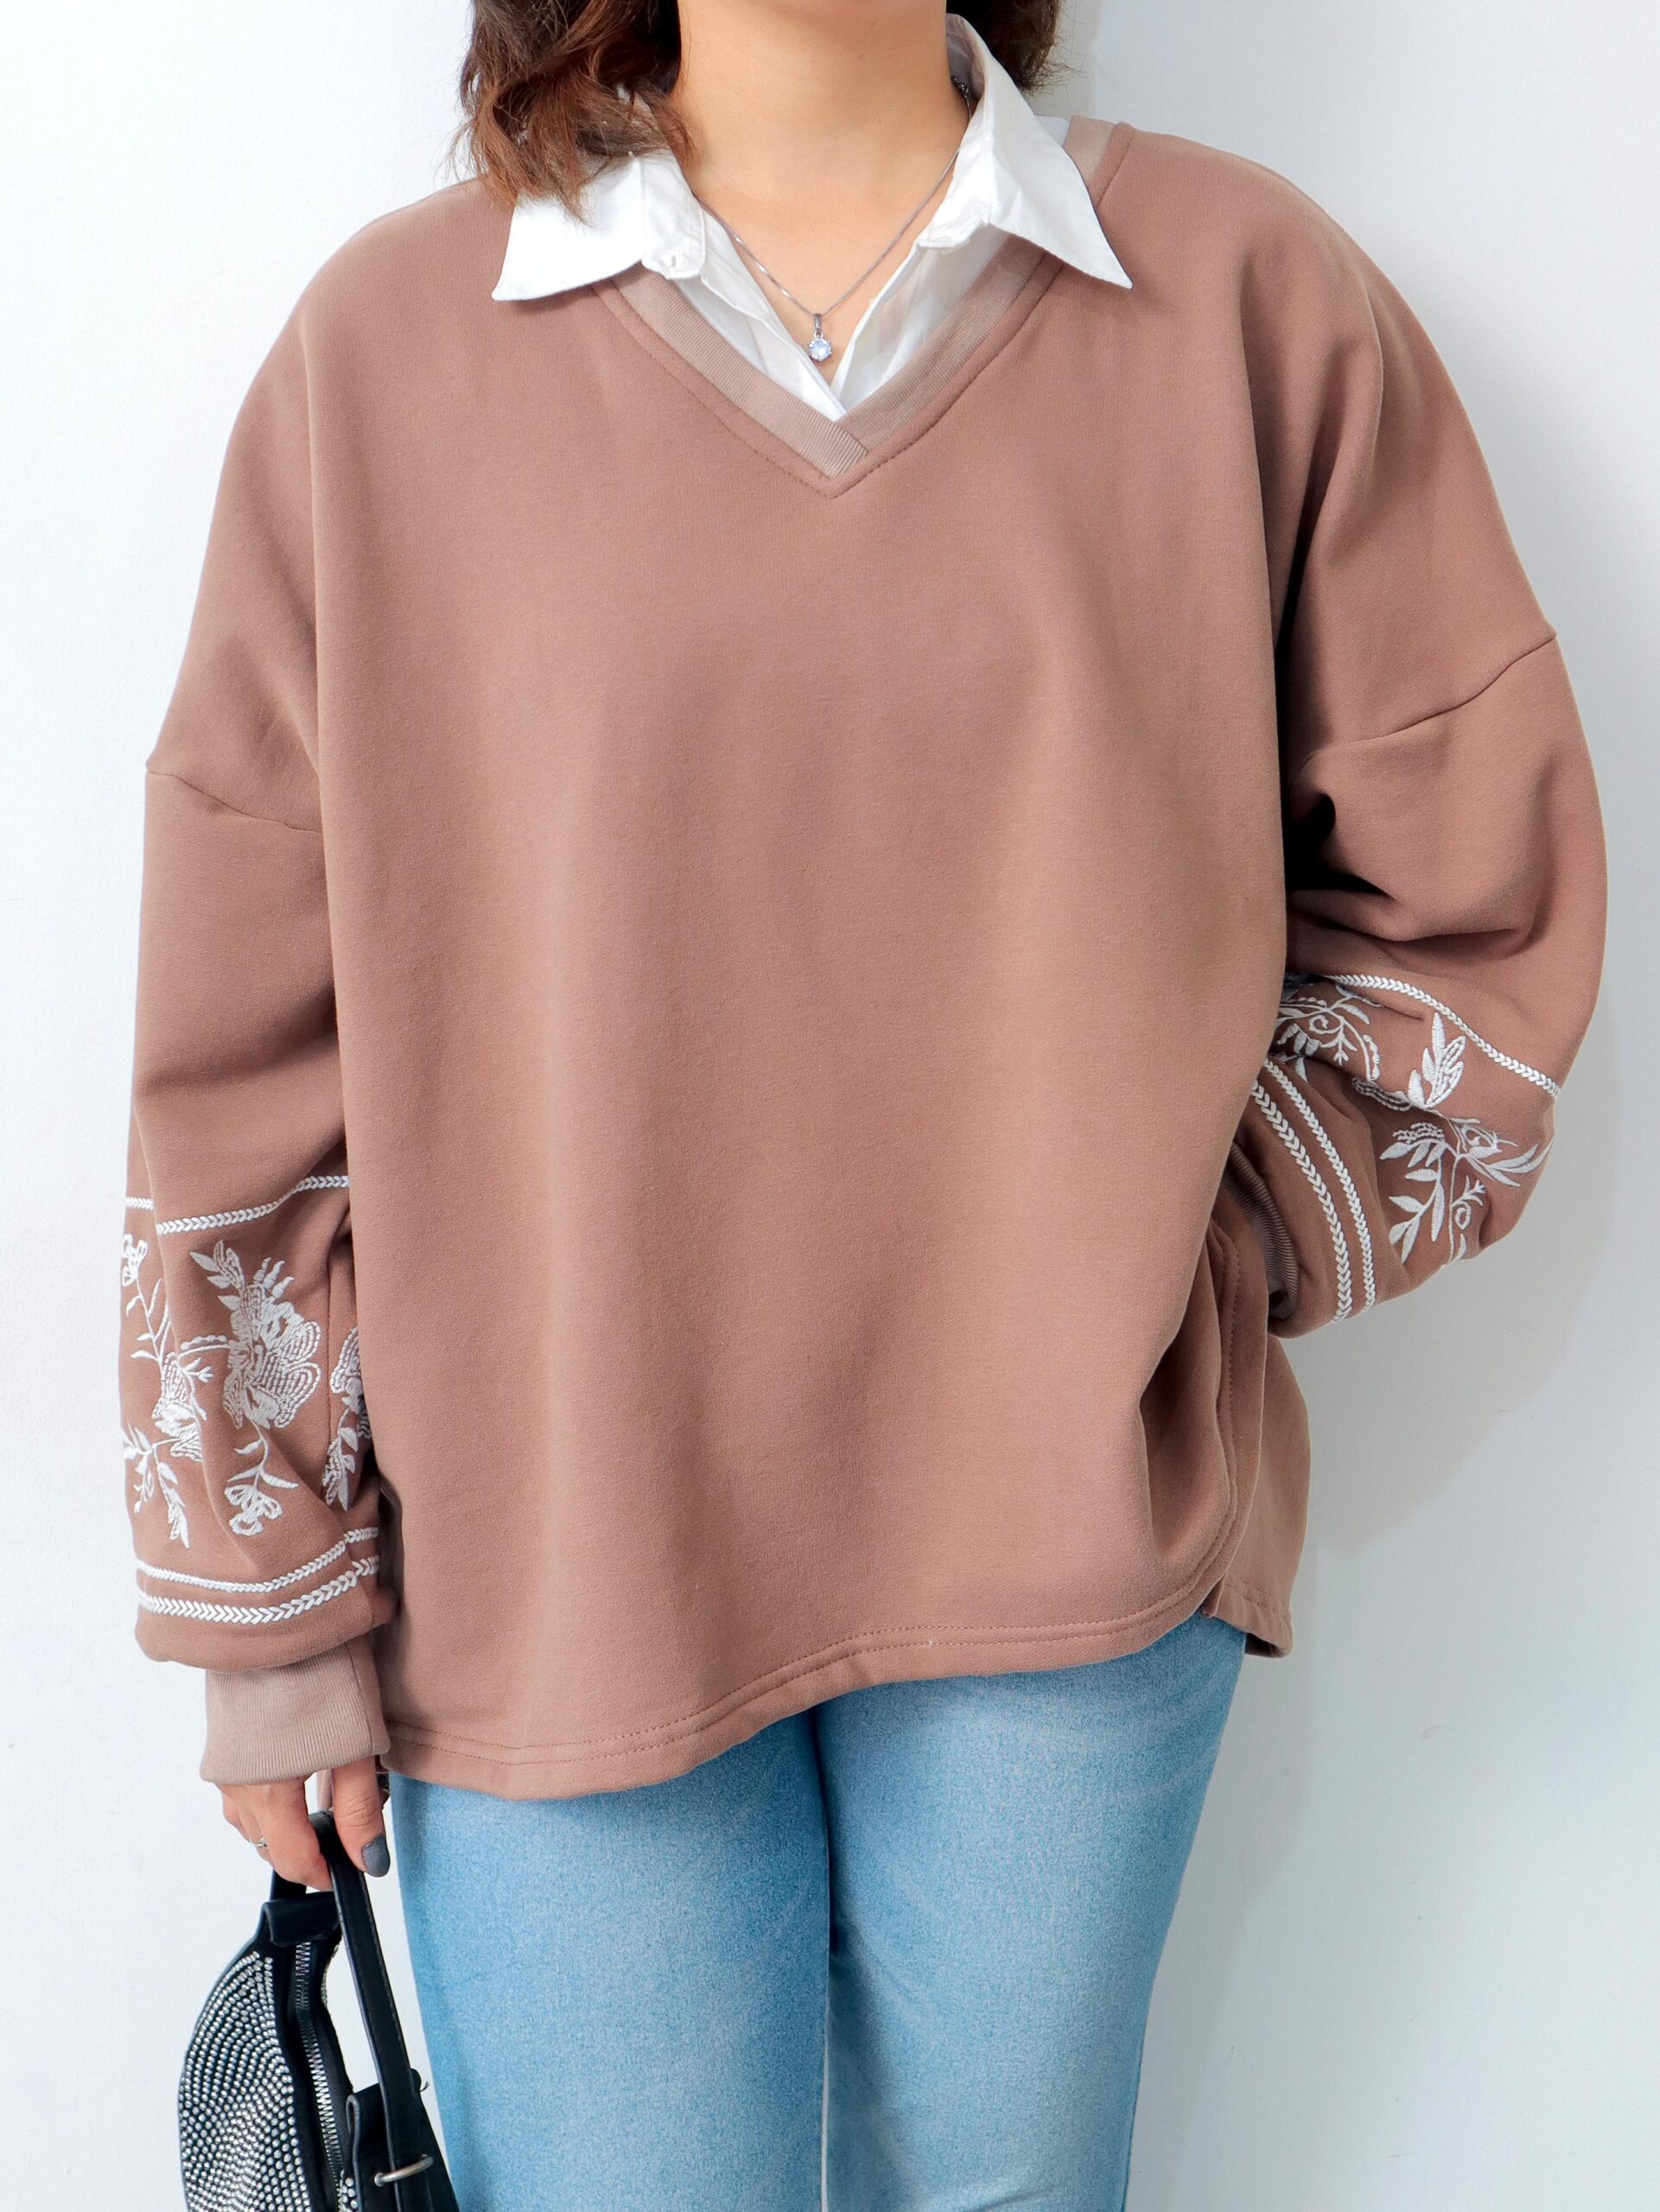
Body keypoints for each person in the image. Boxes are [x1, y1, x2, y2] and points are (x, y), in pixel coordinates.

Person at [118, 0, 1606, 2202]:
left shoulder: (1245, 301)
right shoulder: (387, 355)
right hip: (547, 1562)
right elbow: (245, 1029)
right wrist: (271, 1603)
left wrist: (1193, 1246)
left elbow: (1474, 908)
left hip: (1065, 1571)